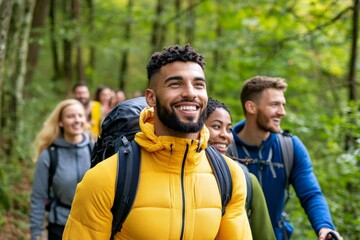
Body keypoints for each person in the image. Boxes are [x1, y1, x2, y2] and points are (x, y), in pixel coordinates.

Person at [63, 44, 252, 239]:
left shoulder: (229, 176)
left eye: (198, 84)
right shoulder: (104, 179)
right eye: (175, 84)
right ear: (151, 97)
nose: (190, 93)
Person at [229, 76, 342, 240]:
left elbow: (311, 194)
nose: (282, 112)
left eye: (283, 105)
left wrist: (324, 226)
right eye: (274, 104)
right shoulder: (224, 147)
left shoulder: (290, 147)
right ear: (251, 107)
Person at [205, 97, 276, 240]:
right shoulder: (181, 175)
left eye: (229, 129)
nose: (225, 135)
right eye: (217, 127)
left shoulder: (247, 180)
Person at [30, 99, 93, 240]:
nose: (77, 120)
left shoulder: (95, 150)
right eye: (70, 116)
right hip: (60, 226)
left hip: (91, 225)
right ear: (60, 122)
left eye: (80, 115)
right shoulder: (49, 155)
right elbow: (38, 197)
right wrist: (36, 233)